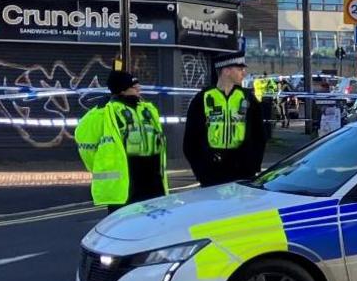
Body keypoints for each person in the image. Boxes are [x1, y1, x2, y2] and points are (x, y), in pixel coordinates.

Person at [74, 69, 167, 211]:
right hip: (126, 187)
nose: (138, 87)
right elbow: (86, 145)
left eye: (137, 84)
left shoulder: (148, 109)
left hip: (154, 183)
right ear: (122, 90)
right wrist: (100, 165)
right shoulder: (103, 112)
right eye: (133, 85)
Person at [182, 52, 269, 187]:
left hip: (243, 170)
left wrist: (253, 166)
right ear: (226, 71)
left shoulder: (248, 98)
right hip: (211, 172)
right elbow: (190, 140)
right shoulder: (202, 98)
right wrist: (201, 171)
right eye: (239, 69)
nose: (244, 73)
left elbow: (260, 135)